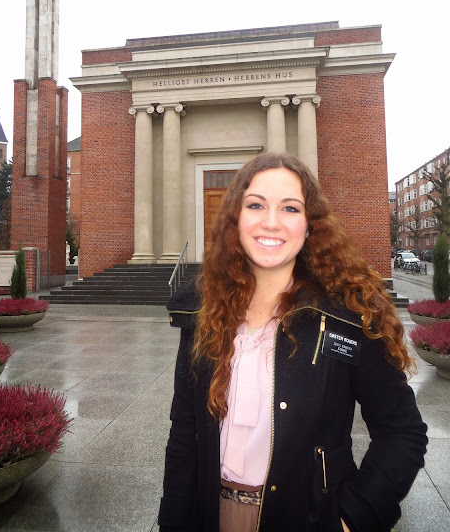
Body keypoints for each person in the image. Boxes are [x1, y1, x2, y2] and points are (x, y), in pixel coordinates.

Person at [158, 153, 427, 532]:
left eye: (290, 208)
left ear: (309, 224)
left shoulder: (347, 315)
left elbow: (402, 432)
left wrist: (352, 518)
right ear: (236, 218)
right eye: (256, 205)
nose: (271, 221)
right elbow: (184, 433)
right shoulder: (204, 310)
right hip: (211, 516)